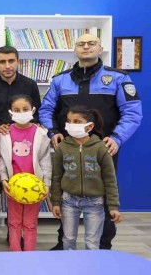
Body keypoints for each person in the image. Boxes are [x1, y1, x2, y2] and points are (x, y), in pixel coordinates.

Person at [40, 33, 141, 250]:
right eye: (81, 44)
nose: (86, 47)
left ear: (100, 48)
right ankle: (63, 244)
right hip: (68, 149)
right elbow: (46, 109)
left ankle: (103, 247)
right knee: (67, 193)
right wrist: (52, 131)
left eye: (91, 43)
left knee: (103, 195)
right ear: (75, 49)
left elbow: (132, 112)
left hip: (104, 149)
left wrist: (117, 138)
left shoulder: (118, 78)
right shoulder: (60, 80)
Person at [0, 46, 40, 249]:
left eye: (11, 61)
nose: (7, 66)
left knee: (21, 187)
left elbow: (35, 114)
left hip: (24, 145)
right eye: (2, 62)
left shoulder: (29, 84)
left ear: (18, 61)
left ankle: (21, 233)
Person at [51, 106, 122, 250]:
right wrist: (56, 202)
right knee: (68, 239)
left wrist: (113, 206)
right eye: (69, 121)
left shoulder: (101, 148)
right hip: (68, 201)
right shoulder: (62, 147)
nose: (71, 125)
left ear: (90, 126)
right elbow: (56, 177)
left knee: (92, 242)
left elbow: (110, 179)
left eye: (77, 121)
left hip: (95, 202)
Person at [0, 95, 51, 252]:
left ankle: (29, 254)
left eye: (25, 109)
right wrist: (4, 179)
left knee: (30, 222)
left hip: (35, 186)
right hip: (13, 186)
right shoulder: (5, 134)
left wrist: (46, 183)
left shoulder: (41, 134)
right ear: (11, 112)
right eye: (17, 110)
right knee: (13, 222)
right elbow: (1, 159)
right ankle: (15, 252)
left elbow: (45, 161)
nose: (21, 112)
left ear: (33, 110)